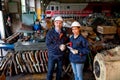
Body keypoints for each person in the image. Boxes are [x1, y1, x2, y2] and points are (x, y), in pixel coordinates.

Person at [45, 16, 68, 80]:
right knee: (50, 71)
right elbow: (48, 44)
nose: (58, 24)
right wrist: (59, 46)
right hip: (52, 55)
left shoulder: (64, 33)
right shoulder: (50, 33)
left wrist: (65, 46)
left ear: (62, 24)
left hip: (61, 56)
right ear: (54, 23)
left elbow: (66, 41)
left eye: (60, 23)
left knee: (59, 72)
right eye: (57, 22)